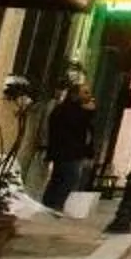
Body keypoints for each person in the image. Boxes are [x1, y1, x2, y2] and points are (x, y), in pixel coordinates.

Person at [38, 81, 97, 212]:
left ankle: (50, 205)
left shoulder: (79, 110)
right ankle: (54, 205)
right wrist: (88, 113)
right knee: (67, 178)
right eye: (85, 92)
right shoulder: (66, 110)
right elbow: (75, 127)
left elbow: (87, 132)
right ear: (74, 95)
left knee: (61, 179)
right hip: (67, 152)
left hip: (73, 152)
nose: (89, 96)